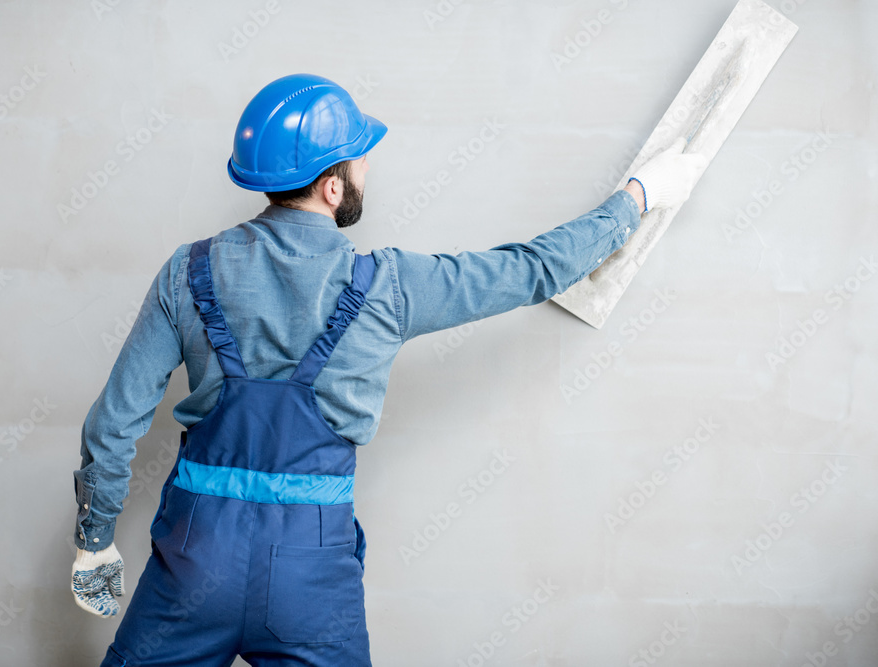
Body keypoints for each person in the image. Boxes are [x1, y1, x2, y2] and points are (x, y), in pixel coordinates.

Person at [70, 73, 707, 666]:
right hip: (310, 580)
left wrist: (95, 539)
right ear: (331, 185)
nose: (368, 167)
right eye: (360, 158)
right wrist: (637, 198)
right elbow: (532, 269)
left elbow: (114, 422)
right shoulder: (390, 287)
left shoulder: (188, 271)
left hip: (192, 565)